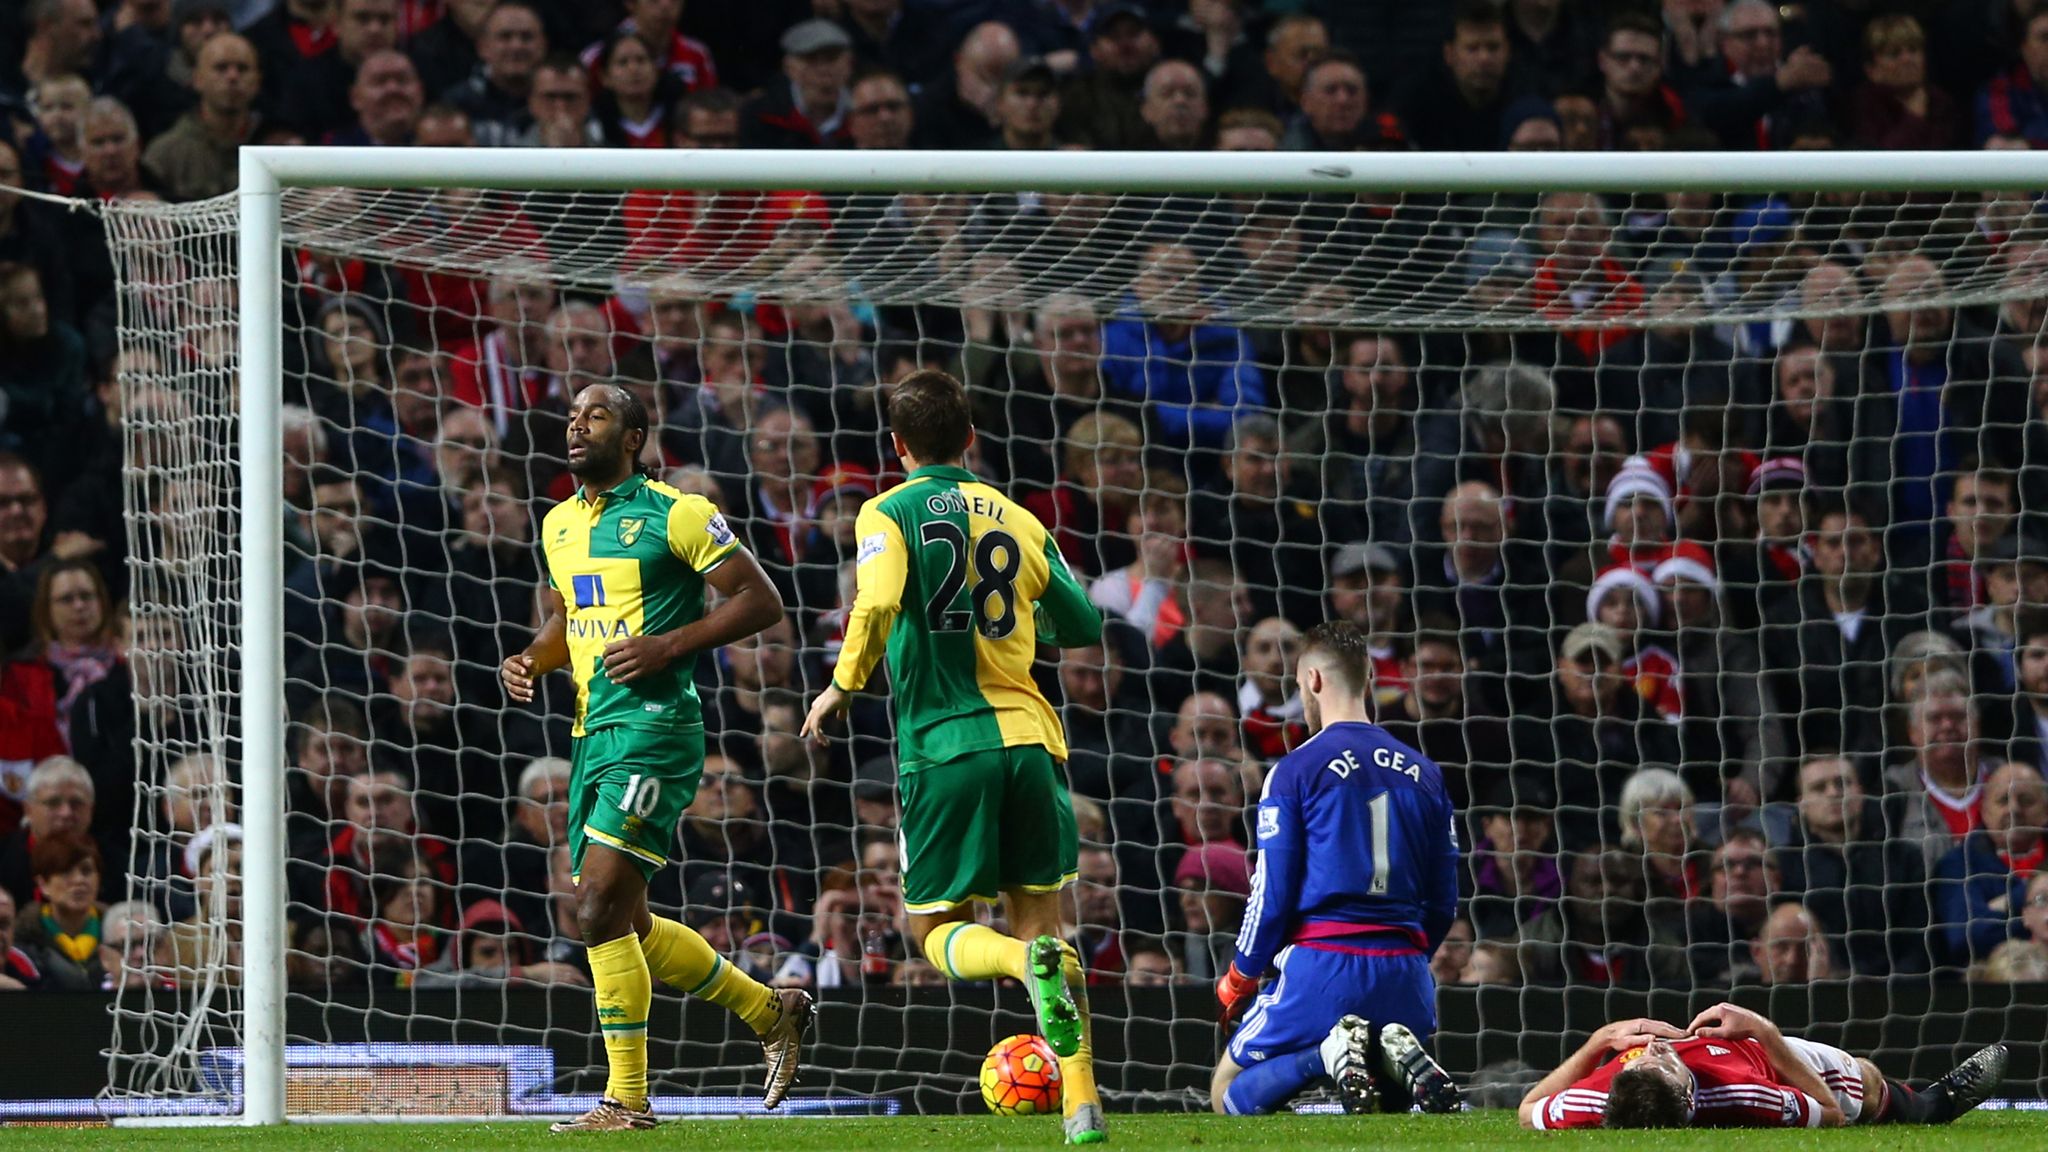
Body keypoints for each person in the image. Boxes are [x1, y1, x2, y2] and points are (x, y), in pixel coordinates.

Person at [799, 368, 1109, 1146]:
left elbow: (874, 601)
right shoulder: (1019, 516)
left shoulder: (887, 510)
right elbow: (1081, 625)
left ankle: (1014, 960)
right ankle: (1082, 1108)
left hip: (944, 748)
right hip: (1031, 743)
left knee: (934, 930)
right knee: (1048, 928)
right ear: (970, 437)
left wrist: (840, 686)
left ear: (897, 444)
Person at [499, 383, 810, 1130]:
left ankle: (626, 1101)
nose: (577, 426)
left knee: (597, 902)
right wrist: (535, 660)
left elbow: (760, 600)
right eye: (572, 416)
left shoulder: (679, 512)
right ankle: (770, 1011)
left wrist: (668, 645)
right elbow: (569, 615)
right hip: (591, 734)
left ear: (634, 435)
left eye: (596, 415)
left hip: (657, 728)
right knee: (626, 921)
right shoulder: (559, 522)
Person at [1210, 622, 1461, 1118]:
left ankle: (1322, 1055)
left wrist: (1240, 975)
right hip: (1407, 972)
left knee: (1226, 1092)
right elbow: (1444, 902)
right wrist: (1406, 954)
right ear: (1367, 681)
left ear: (1314, 682)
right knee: (1379, 1101)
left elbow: (1272, 895)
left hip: (1321, 964)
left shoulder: (1295, 770)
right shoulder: (1426, 774)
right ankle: (1388, 1059)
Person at [1519, 1002, 2006, 1130]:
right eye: (1664, 1062)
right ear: (1691, 1098)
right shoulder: (1743, 1096)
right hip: (1759, 1057)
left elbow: (1528, 1108)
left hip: (1738, 1046)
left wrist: (1600, 1040)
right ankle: (1926, 1107)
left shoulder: (1593, 1102)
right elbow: (1829, 1112)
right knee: (1861, 1083)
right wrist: (1762, 1030)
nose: (1654, 1051)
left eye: (1641, 1060)